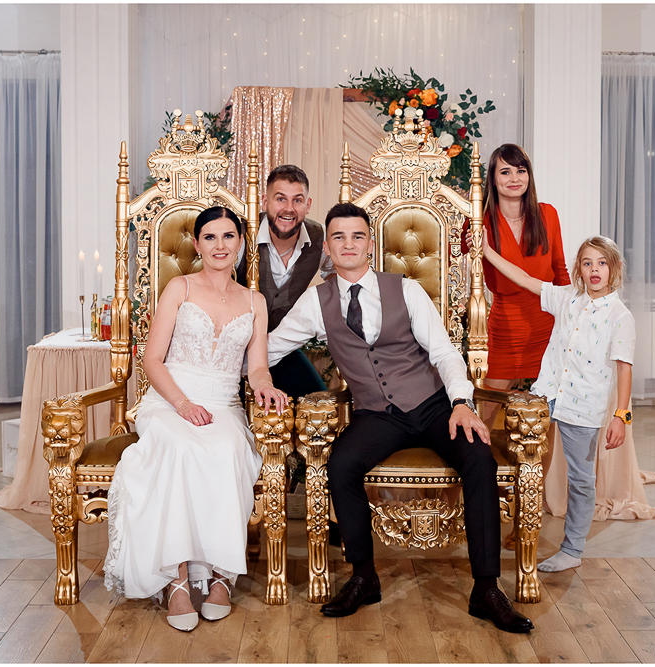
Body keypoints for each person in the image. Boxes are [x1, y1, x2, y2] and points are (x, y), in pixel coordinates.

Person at [267, 202, 534, 633]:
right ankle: (363, 577)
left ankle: (486, 588)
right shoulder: (316, 302)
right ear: (327, 248)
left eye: (357, 236)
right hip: (377, 415)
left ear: (370, 244)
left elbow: (444, 353)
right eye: (338, 237)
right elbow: (269, 350)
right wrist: (224, 368)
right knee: (341, 463)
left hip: (433, 406)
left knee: (478, 457)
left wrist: (461, 403)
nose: (348, 244)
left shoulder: (405, 290)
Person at [103, 207, 288, 632]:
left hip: (223, 403)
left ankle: (222, 576)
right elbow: (152, 360)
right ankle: (177, 581)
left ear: (241, 242)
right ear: (197, 244)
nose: (220, 245)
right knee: (180, 447)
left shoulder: (255, 301)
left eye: (228, 236)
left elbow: (258, 367)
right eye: (210, 237)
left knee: (228, 450)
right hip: (170, 400)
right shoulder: (179, 287)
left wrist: (266, 387)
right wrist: (183, 405)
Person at [481, 232, 635, 573]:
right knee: (523, 462)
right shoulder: (566, 298)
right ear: (579, 269)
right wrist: (487, 251)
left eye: (602, 263)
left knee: (580, 479)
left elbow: (624, 368)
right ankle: (514, 528)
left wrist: (620, 416)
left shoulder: (620, 316)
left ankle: (572, 549)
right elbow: (524, 279)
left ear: (614, 268)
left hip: (584, 405)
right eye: (587, 263)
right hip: (546, 396)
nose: (594, 270)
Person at [466, 144, 569, 421]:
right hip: (505, 324)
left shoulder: (548, 214)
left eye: (521, 171)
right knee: (486, 409)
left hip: (547, 320)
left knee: (551, 408)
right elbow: (456, 251)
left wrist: (571, 313)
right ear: (492, 178)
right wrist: (470, 229)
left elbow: (560, 270)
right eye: (505, 172)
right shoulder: (479, 220)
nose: (514, 178)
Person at [236, 164, 334, 398]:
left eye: (297, 200)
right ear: (264, 201)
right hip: (234, 348)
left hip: (280, 347)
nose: (289, 209)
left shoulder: (320, 238)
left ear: (308, 205)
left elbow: (335, 275)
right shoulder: (240, 234)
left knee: (317, 401)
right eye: (280, 199)